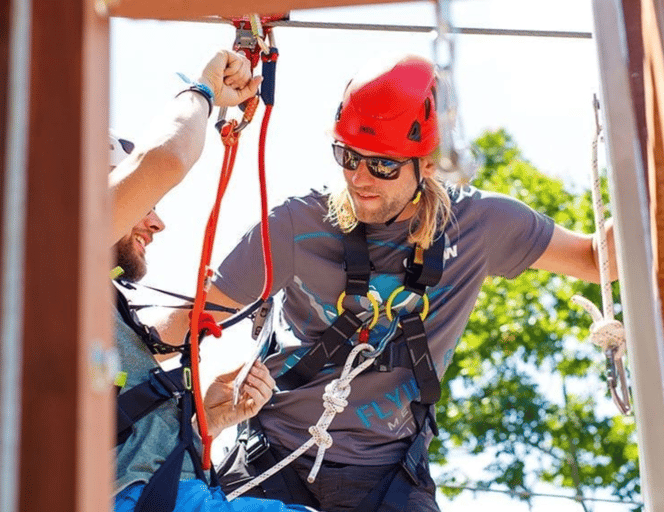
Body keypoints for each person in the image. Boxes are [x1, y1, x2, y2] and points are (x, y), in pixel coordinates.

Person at [156, 54, 618, 511]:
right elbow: (188, 323)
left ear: (429, 164)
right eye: (348, 156)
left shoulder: (481, 226)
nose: (359, 178)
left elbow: (600, 261)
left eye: (382, 166)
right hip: (273, 459)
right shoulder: (297, 225)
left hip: (388, 478)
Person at [110, 49, 319, 512]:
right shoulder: (56, 252)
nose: (157, 223)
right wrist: (202, 91)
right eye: (144, 204)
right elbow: (164, 159)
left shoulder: (91, 310)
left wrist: (211, 416)